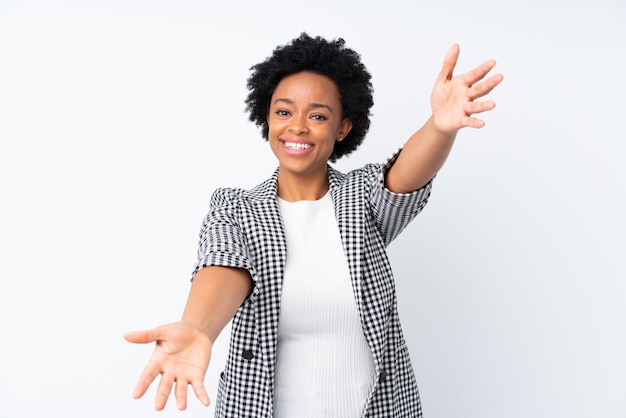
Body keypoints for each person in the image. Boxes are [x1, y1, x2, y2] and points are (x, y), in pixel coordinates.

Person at [124, 32, 503, 417]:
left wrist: (439, 128)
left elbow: (404, 176)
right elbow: (223, 265)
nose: (298, 127)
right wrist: (199, 328)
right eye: (283, 112)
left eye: (318, 115)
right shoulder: (236, 207)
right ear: (266, 117)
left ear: (342, 127)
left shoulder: (361, 197)